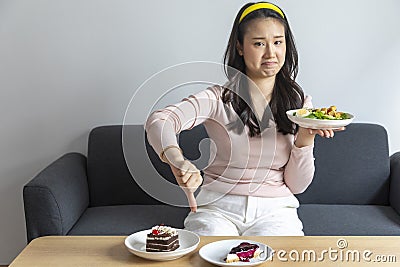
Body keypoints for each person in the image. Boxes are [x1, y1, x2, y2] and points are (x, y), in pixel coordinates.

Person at [145, 2, 344, 236]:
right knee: (209, 256)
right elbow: (160, 121)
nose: (271, 53)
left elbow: (298, 185)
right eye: (259, 43)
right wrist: (176, 159)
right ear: (240, 47)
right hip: (216, 209)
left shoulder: (300, 105)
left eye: (278, 42)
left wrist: (305, 138)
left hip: (276, 211)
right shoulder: (217, 99)